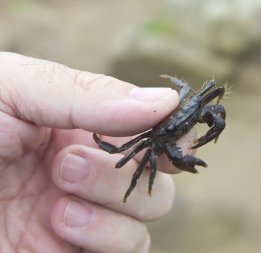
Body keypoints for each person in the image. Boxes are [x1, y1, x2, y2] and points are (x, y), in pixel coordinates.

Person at [0, 52, 194, 252]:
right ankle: (130, 192)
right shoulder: (150, 142)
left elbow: (196, 94)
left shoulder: (189, 106)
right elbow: (119, 153)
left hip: (172, 121)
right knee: (138, 167)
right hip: (157, 138)